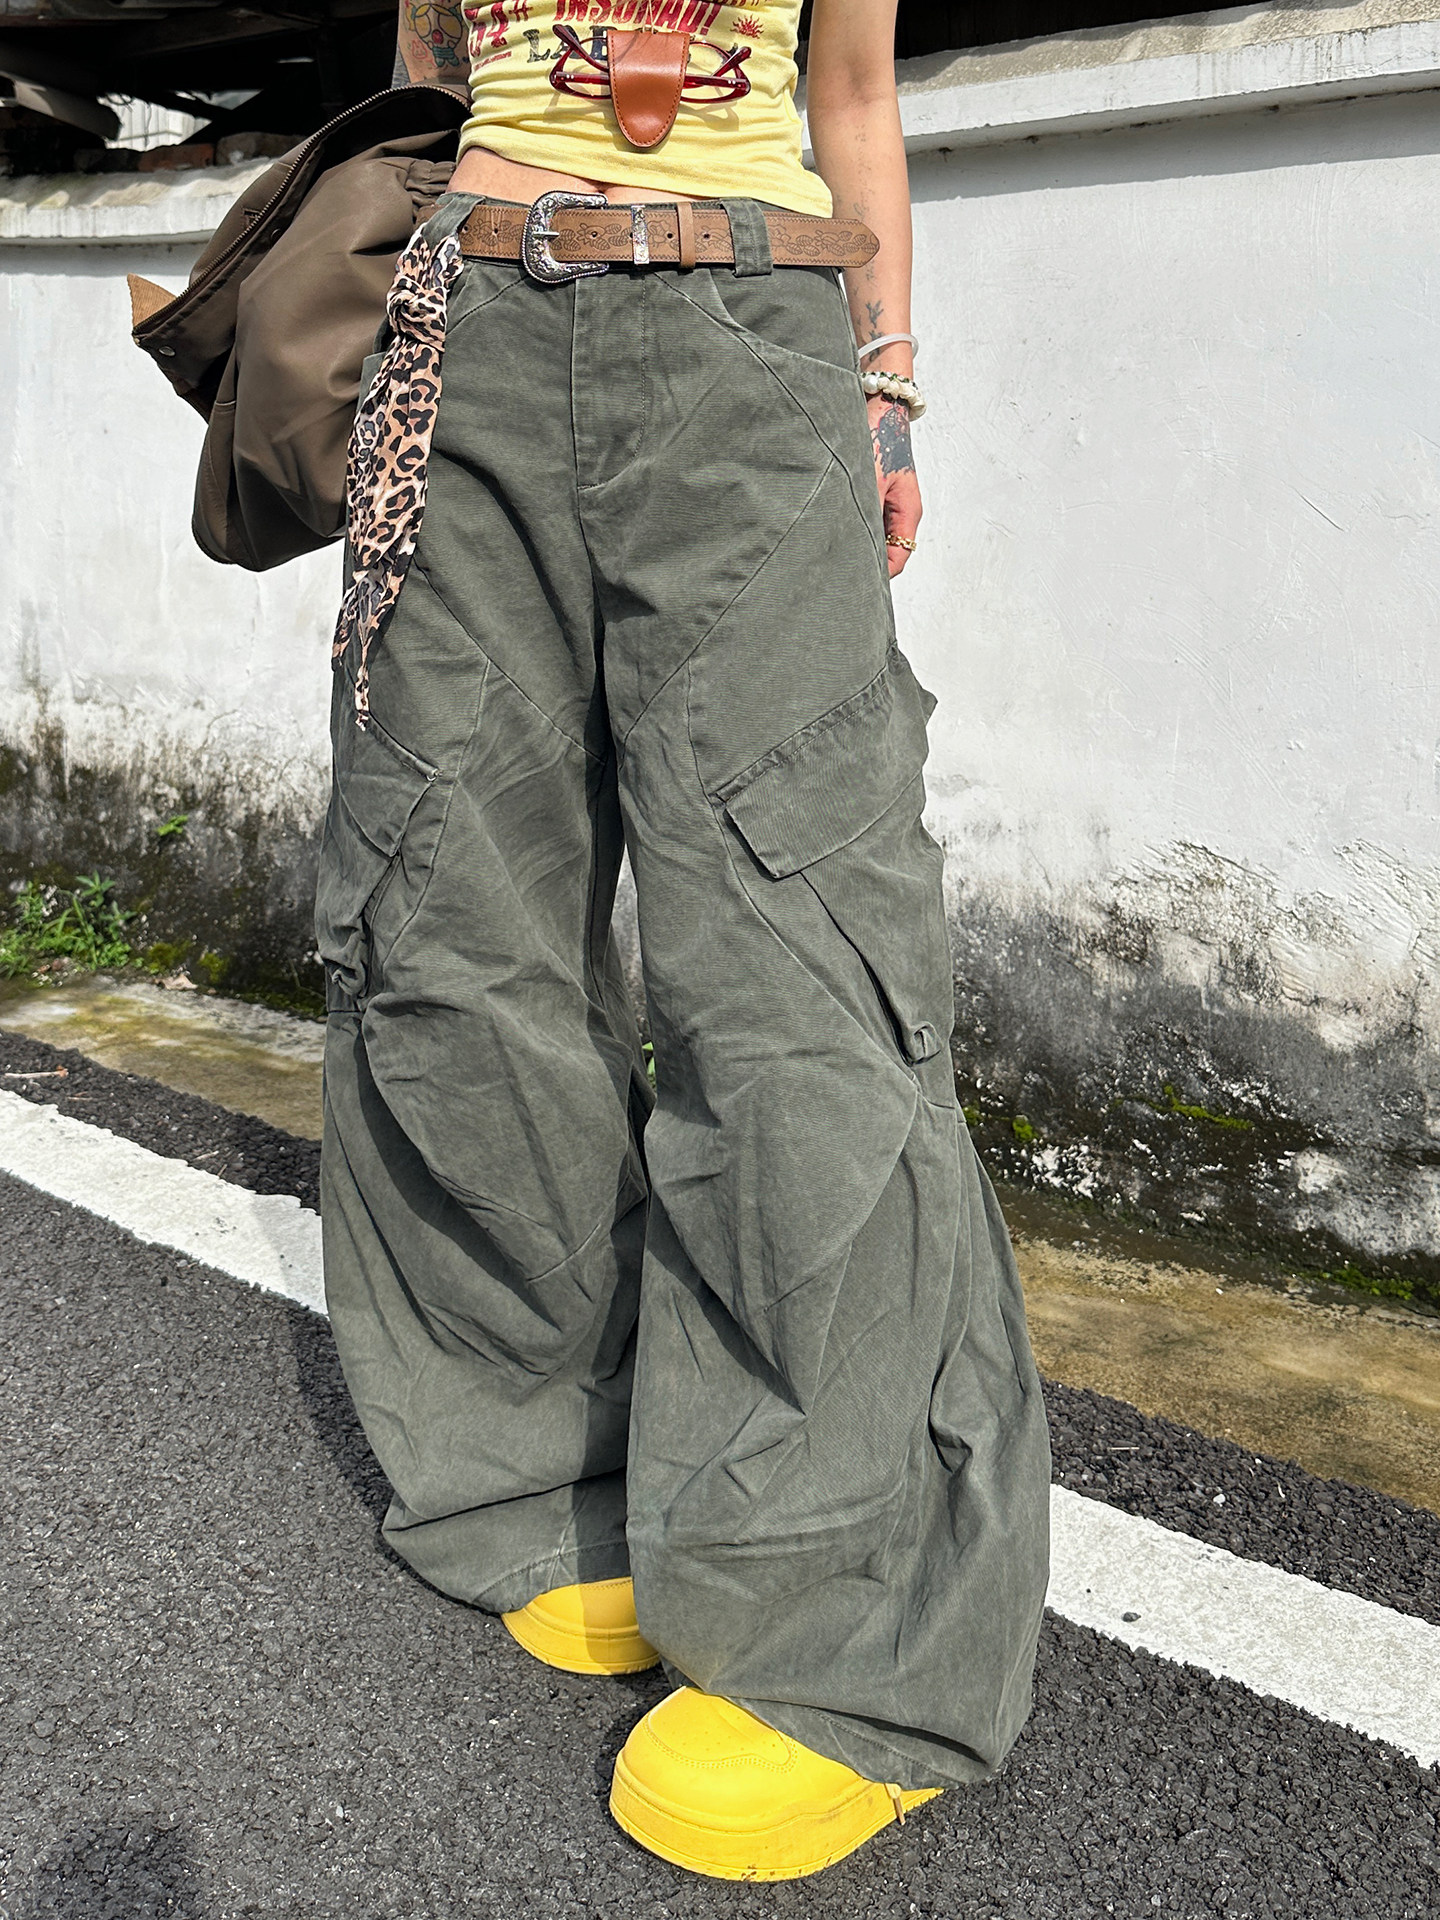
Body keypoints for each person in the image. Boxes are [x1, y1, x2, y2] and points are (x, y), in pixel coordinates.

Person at [318, 0, 1051, 1881]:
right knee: (449, 915)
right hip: (464, 338)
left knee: (796, 945)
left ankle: (842, 1622)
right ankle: (534, 1455)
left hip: (746, 323)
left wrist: (885, 391)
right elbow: (431, 82)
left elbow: (852, 92)